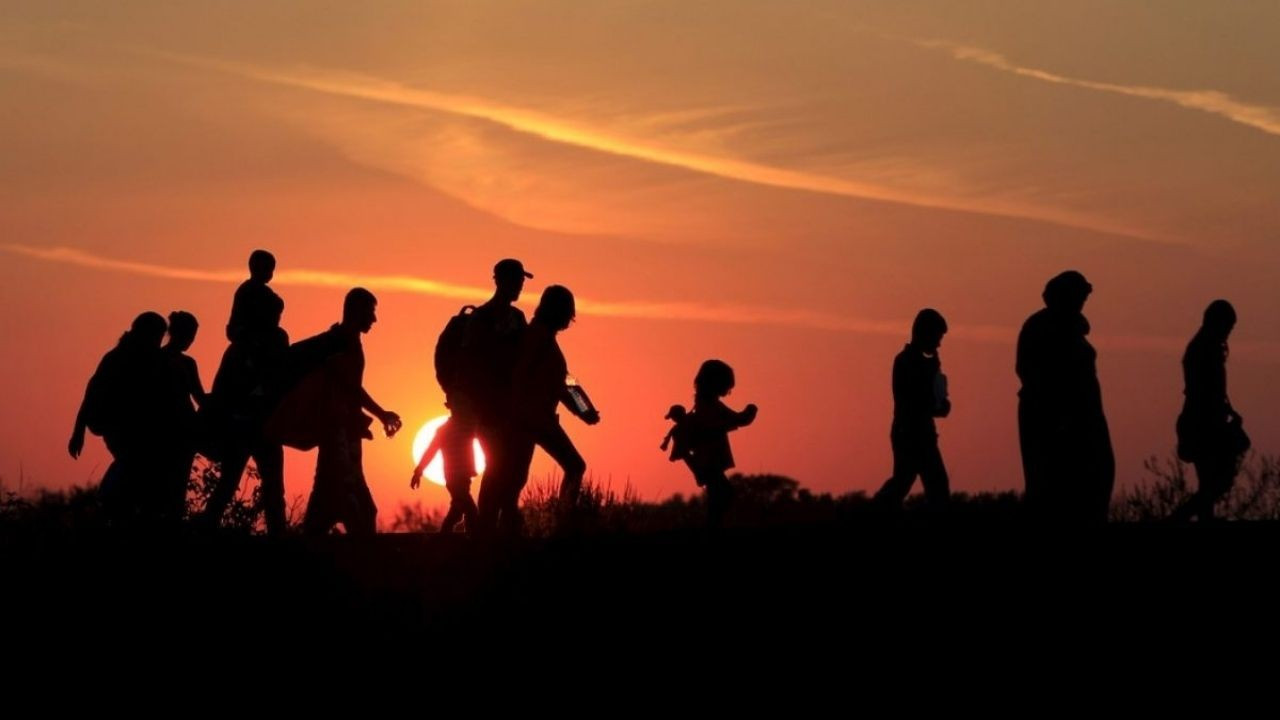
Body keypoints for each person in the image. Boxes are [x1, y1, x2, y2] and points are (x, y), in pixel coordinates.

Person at [286, 288, 401, 536]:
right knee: (358, 509)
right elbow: (350, 386)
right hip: (337, 436)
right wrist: (382, 414)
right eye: (370, 312)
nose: (374, 319)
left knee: (327, 511)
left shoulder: (346, 341)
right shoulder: (341, 343)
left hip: (344, 435)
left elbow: (349, 388)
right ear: (356, 310)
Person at [201, 250, 290, 534]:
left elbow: (282, 379)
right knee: (230, 481)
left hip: (265, 422)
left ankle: (279, 534)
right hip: (242, 422)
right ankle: (205, 530)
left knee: (273, 484)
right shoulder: (242, 350)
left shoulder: (275, 340)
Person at [1016, 271, 1114, 523]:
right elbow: (1031, 373)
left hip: (1084, 419)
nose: (1083, 301)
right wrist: (1060, 417)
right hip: (1056, 420)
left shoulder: (1071, 329)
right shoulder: (1042, 327)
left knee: (1097, 478)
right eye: (1079, 296)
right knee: (1053, 488)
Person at [502, 285, 600, 534]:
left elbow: (563, 381)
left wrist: (584, 409)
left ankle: (525, 526)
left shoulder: (545, 339)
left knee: (518, 479)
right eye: (568, 312)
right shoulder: (536, 338)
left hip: (538, 420)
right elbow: (522, 376)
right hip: (529, 421)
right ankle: (558, 523)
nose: (570, 319)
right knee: (519, 479)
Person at [69, 311, 169, 526]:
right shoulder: (117, 358)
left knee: (137, 467)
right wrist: (78, 431)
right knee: (131, 461)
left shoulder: (150, 359)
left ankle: (119, 510)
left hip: (133, 426)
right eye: (156, 337)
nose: (158, 342)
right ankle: (105, 502)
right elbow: (92, 392)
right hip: (114, 424)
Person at [1171, 300, 1249, 522]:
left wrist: (1227, 411)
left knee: (1210, 482)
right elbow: (1203, 391)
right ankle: (1178, 518)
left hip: (1203, 421)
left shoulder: (1203, 348)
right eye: (1228, 327)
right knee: (1216, 481)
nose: (1228, 332)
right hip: (1202, 423)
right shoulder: (1203, 349)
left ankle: (1197, 518)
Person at [663, 359, 757, 528]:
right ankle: (712, 530)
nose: (727, 391)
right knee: (723, 494)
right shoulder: (708, 405)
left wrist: (745, 417)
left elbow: (734, 419)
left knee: (720, 495)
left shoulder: (704, 404)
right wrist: (749, 413)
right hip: (709, 458)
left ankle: (713, 528)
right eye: (726, 386)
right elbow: (726, 422)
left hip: (709, 457)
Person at [874, 309, 952, 509]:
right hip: (910, 433)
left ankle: (874, 512)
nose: (938, 343)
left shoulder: (923, 363)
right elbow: (912, 401)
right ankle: (873, 512)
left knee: (920, 484)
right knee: (909, 483)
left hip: (920, 432)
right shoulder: (906, 362)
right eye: (937, 337)